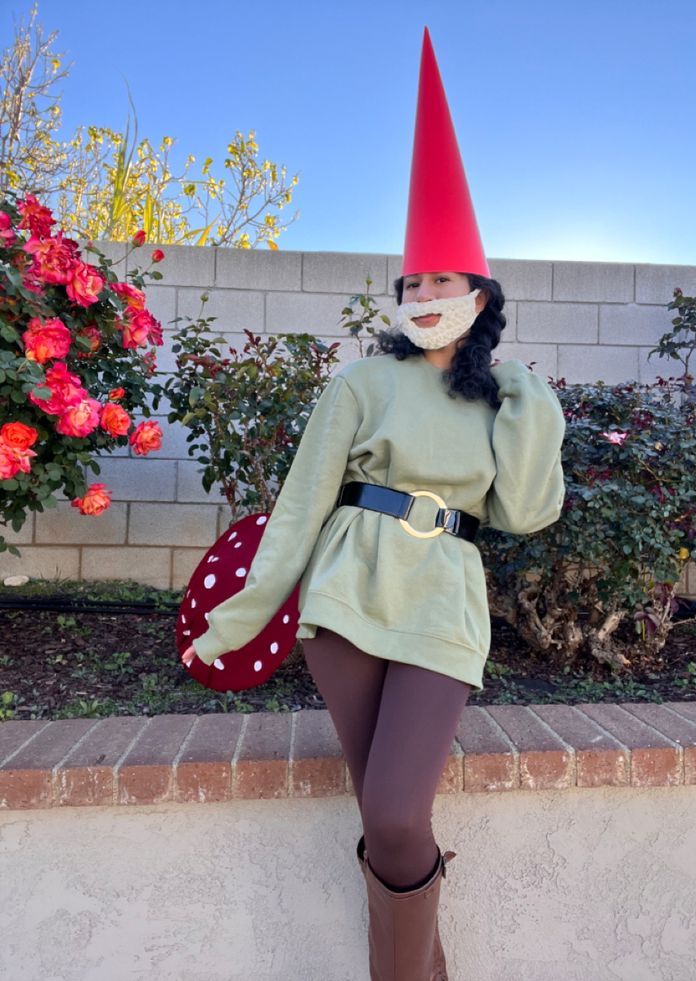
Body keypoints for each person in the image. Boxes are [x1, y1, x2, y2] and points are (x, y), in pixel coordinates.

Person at [181, 28, 566, 981]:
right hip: (347, 598)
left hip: (442, 600)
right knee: (388, 821)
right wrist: (237, 616)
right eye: (411, 281)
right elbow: (301, 504)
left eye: (441, 278)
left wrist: (532, 399)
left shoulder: (499, 398)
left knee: (395, 814)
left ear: (480, 292)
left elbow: (524, 511)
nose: (422, 292)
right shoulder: (360, 384)